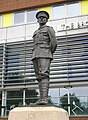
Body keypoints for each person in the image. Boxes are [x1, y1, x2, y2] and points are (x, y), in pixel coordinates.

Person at [32, 11, 57, 105]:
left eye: (44, 17)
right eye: (40, 17)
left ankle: (45, 99)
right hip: (35, 54)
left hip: (45, 53)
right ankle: (41, 98)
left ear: (46, 19)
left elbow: (54, 43)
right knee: (39, 77)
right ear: (37, 20)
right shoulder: (36, 32)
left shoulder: (49, 29)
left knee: (44, 74)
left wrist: (48, 52)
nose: (42, 19)